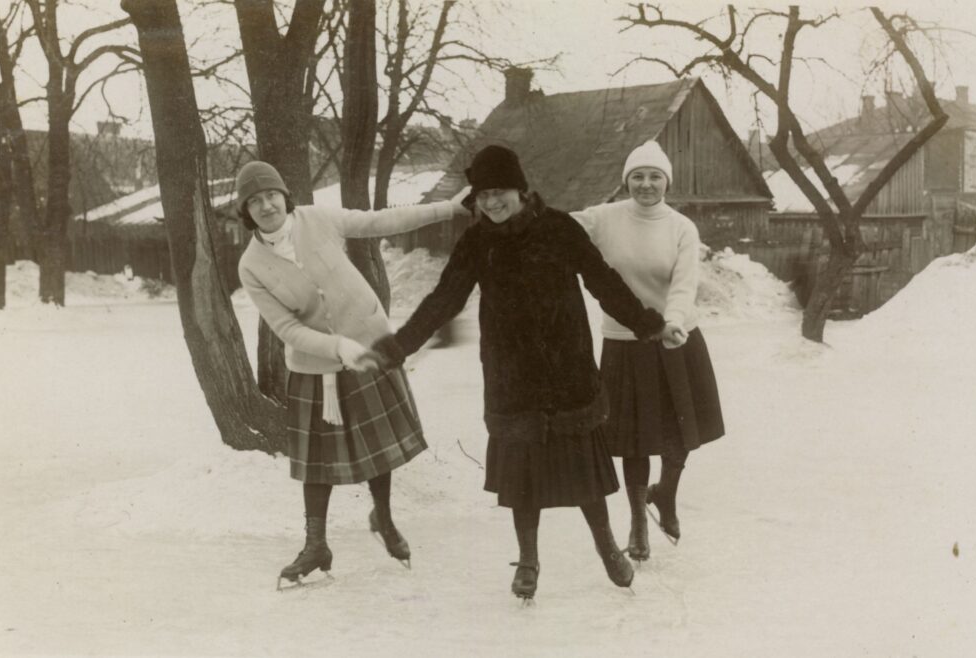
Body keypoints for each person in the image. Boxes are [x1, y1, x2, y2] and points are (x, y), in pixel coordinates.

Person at [370, 145, 683, 601]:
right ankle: (529, 560)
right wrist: (400, 345)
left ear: (520, 189)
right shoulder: (478, 241)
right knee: (523, 479)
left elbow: (603, 280)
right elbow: (446, 297)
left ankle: (607, 546)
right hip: (510, 373)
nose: (492, 203)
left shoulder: (559, 228)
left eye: (499, 192)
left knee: (584, 475)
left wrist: (647, 324)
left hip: (567, 369)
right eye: (483, 196)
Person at [234, 161, 469, 588]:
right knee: (316, 464)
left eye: (271, 195)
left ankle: (383, 515)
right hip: (316, 366)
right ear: (245, 211)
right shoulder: (251, 266)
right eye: (254, 201)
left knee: (378, 446)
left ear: (285, 196)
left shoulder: (317, 218)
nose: (266, 205)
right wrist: (335, 347)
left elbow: (381, 221)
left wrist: (447, 209)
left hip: (370, 344)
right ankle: (316, 544)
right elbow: (286, 328)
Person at [571, 140, 725, 561]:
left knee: (680, 437)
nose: (645, 184)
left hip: (675, 337)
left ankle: (666, 494)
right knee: (635, 441)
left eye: (654, 176)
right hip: (625, 343)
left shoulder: (681, 227)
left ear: (666, 182)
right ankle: (638, 523)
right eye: (637, 176)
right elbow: (556, 229)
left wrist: (672, 321)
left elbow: (684, 284)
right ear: (626, 181)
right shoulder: (603, 218)